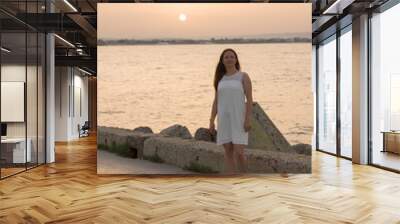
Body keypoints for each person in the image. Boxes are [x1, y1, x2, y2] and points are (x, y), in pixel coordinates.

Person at [209, 48, 253, 174]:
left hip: (239, 119)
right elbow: (216, 101)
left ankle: (245, 179)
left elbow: (249, 100)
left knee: (239, 152)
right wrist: (211, 120)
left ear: (236, 60)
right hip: (224, 119)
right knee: (228, 151)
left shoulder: (243, 77)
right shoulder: (220, 79)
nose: (229, 59)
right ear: (222, 61)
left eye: (232, 57)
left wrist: (247, 119)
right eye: (226, 57)